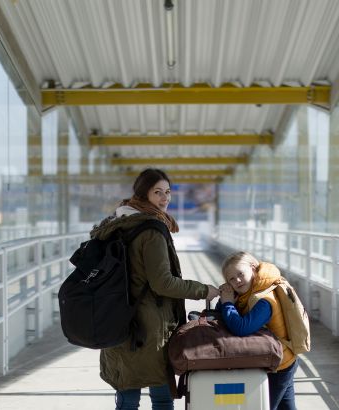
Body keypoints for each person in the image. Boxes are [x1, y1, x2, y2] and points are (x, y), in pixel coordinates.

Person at [90, 168, 220, 410]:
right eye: (157, 192)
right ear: (143, 194)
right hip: (149, 329)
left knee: (127, 398)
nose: (165, 198)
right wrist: (203, 290)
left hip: (116, 318)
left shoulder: (117, 223)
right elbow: (163, 283)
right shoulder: (151, 230)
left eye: (168, 192)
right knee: (161, 397)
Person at [218, 252, 298, 410]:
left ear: (253, 268)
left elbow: (242, 328)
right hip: (280, 359)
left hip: (278, 364)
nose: (237, 280)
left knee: (263, 406)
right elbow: (224, 316)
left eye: (240, 274)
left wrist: (227, 304)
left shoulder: (265, 299)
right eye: (231, 279)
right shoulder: (249, 293)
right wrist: (226, 300)